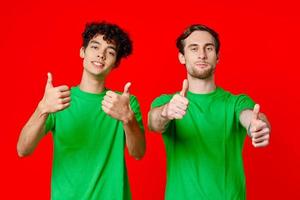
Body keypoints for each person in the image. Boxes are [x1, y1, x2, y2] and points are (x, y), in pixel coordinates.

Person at [17, 22, 145, 200]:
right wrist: (43, 109)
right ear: (82, 52)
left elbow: (138, 153)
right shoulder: (59, 99)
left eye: (110, 52)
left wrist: (127, 119)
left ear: (115, 63)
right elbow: (23, 149)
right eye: (95, 47)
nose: (101, 54)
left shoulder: (124, 102)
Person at [148, 24, 271, 200]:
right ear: (182, 57)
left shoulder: (235, 102)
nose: (202, 55)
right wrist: (166, 112)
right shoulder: (167, 102)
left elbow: (250, 116)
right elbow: (153, 122)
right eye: (194, 48)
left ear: (217, 57)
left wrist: (258, 125)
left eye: (209, 48)